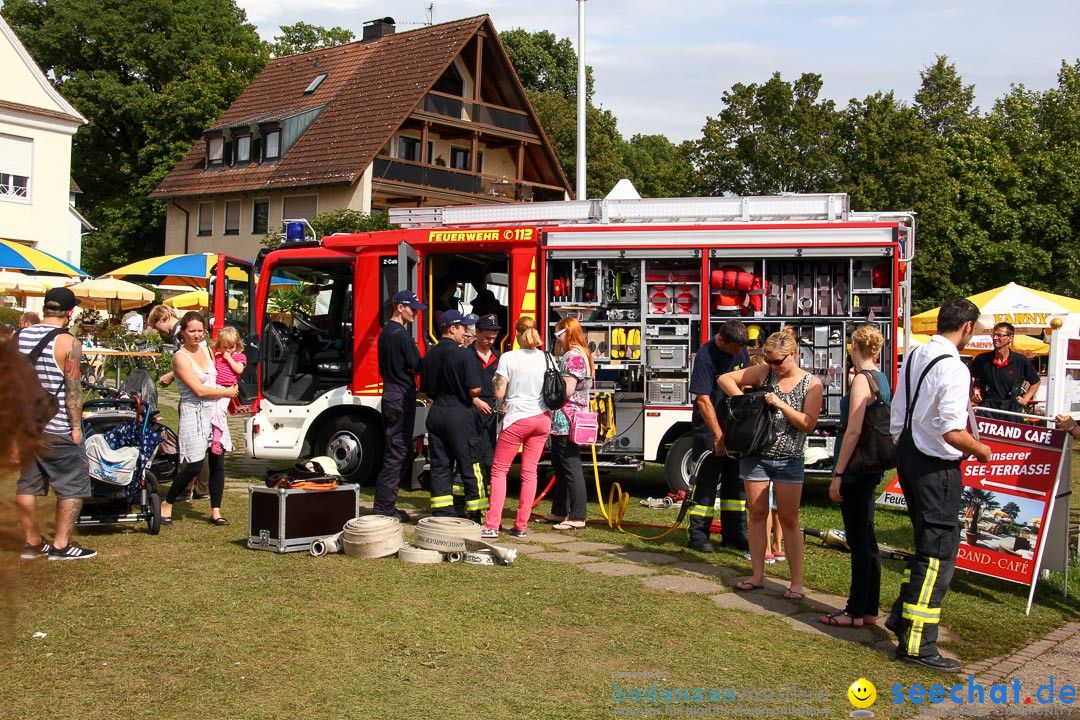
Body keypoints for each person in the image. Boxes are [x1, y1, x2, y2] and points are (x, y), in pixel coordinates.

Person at [887, 298, 991, 671]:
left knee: (924, 547)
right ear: (966, 328)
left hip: (911, 459)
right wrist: (981, 450)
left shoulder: (916, 355)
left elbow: (899, 412)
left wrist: (906, 446)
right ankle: (917, 644)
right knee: (939, 554)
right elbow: (951, 429)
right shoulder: (955, 368)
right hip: (936, 468)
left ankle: (902, 617)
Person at [719, 327, 823, 599]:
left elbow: (808, 424)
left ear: (794, 354)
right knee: (756, 515)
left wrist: (780, 404)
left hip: (789, 457)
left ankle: (797, 581)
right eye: (769, 360)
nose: (774, 366)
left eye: (779, 361)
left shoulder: (811, 383)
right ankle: (757, 574)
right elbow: (725, 379)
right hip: (757, 456)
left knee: (789, 518)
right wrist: (748, 403)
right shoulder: (764, 372)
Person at [15, 287, 96, 559]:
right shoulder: (68, 343)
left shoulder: (19, 336)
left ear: (45, 309)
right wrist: (75, 427)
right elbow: (73, 390)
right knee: (72, 484)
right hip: (57, 424)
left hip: (26, 425)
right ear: (70, 312)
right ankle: (61, 545)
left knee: (27, 484)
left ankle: (33, 542)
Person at [819, 325, 891, 628]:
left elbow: (854, 429)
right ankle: (868, 609)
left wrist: (838, 473)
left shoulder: (862, 379)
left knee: (860, 541)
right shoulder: (882, 378)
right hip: (870, 467)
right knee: (867, 539)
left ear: (855, 348)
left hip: (856, 469)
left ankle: (855, 610)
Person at [160, 312, 238, 526]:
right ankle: (167, 503)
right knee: (194, 466)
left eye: (200, 331)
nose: (196, 335)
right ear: (182, 332)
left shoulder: (207, 350)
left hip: (214, 413)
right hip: (194, 412)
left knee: (217, 462)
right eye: (191, 331)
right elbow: (199, 390)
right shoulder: (180, 357)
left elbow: (225, 365)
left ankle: (216, 511)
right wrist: (227, 393)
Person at [482, 316, 551, 539]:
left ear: (517, 334)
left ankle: (492, 524)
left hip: (517, 418)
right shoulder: (547, 357)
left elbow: (499, 393)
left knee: (500, 470)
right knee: (530, 473)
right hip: (542, 418)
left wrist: (495, 381)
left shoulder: (509, 358)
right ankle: (521, 525)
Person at [685, 319, 749, 553]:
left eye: (741, 349)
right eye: (734, 349)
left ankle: (734, 534)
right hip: (709, 431)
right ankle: (699, 534)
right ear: (721, 340)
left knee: (736, 487)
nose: (739, 354)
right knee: (706, 484)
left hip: (733, 429)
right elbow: (703, 399)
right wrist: (718, 436)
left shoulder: (741, 351)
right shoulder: (706, 357)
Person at [421, 309, 485, 519]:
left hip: (436, 411)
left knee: (440, 464)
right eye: (463, 328)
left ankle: (442, 510)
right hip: (460, 413)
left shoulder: (430, 353)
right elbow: (475, 390)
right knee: (469, 462)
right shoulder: (463, 354)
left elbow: (425, 389)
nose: (465, 332)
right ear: (452, 328)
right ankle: (475, 511)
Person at [373, 290, 426, 521]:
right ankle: (384, 507)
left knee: (396, 449)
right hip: (401, 394)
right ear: (399, 307)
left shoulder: (386, 332)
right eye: (412, 308)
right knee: (397, 451)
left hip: (391, 391)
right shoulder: (402, 336)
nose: (415, 312)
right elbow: (417, 365)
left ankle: (386, 505)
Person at [540, 317, 594, 531]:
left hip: (566, 419)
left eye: (557, 335)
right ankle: (559, 511)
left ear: (566, 333)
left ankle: (578, 515)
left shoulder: (573, 357)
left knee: (570, 465)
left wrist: (550, 391)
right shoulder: (582, 354)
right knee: (561, 466)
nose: (557, 339)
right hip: (570, 418)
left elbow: (567, 390)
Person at [970, 321, 1040, 418]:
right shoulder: (982, 359)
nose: (995, 338)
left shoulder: (1020, 360)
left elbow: (1035, 381)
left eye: (999, 335)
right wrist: (972, 391)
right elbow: (968, 376)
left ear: (1010, 338)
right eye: (993, 335)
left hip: (1012, 409)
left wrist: (1026, 398)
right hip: (987, 408)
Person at [469, 314, 502, 492]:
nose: (490, 341)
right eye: (487, 337)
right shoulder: (466, 355)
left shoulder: (499, 357)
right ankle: (473, 493)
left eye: (494, 337)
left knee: (490, 456)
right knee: (472, 455)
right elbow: (458, 384)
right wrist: (475, 400)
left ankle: (487, 493)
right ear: (477, 332)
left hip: (491, 413)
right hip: (470, 409)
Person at [211, 326, 246, 455]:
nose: (227, 351)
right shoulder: (217, 357)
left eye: (231, 347)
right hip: (215, 387)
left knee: (219, 412)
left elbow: (239, 370)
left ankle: (216, 440)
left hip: (227, 388)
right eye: (224, 347)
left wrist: (228, 358)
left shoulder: (239, 357)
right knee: (211, 411)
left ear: (236, 346)